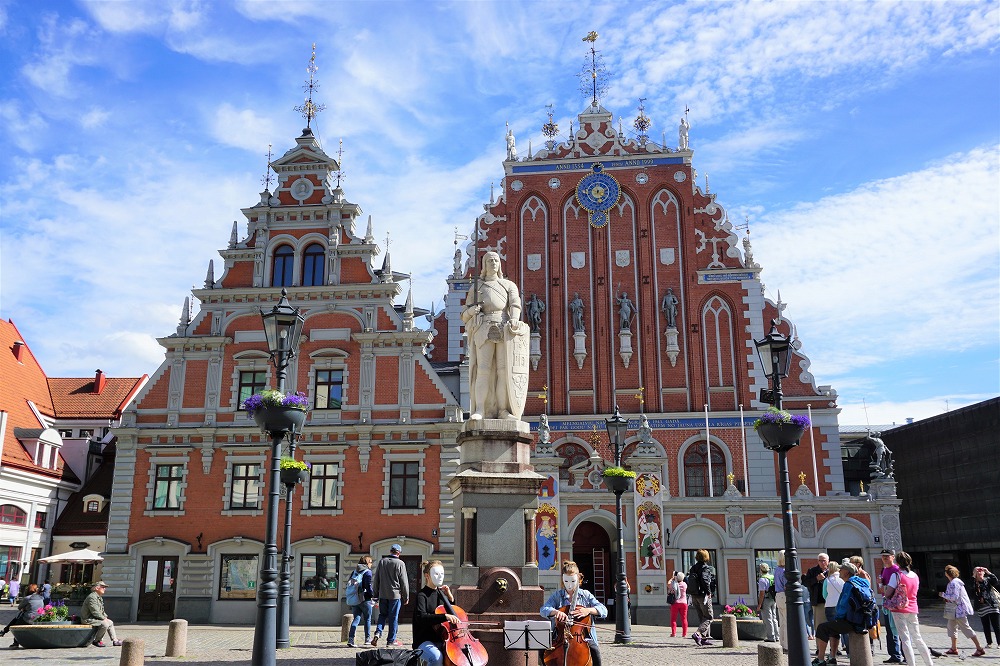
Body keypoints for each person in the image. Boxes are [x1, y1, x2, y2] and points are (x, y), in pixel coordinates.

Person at [461, 251, 530, 420]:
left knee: (503, 371)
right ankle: (480, 409)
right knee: (483, 370)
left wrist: (514, 319)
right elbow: (464, 315)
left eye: (496, 260)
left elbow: (515, 304)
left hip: (504, 326)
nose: (493, 263)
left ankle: (502, 410)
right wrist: (472, 310)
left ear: (500, 264)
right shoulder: (477, 287)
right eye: (490, 260)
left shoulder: (508, 285)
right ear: (484, 265)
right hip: (484, 327)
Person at [541, 560, 607, 666]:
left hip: (582, 637)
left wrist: (588, 610)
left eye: (573, 581)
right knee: (542, 650)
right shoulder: (557, 595)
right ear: (562, 580)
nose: (569, 585)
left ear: (578, 579)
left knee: (594, 649)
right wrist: (556, 612)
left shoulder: (585, 595)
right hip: (560, 636)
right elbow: (543, 610)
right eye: (566, 581)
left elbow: (603, 610)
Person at [812, 562, 872, 666]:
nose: (839, 571)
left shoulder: (848, 585)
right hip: (863, 620)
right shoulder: (862, 582)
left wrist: (838, 618)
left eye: (841, 569)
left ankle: (820, 660)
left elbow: (843, 606)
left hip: (852, 622)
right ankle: (832, 658)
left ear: (847, 572)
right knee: (833, 629)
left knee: (822, 628)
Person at [885, 551, 933, 666]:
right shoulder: (915, 576)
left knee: (905, 639)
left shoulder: (896, 575)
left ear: (897, 562)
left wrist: (884, 588)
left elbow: (888, 593)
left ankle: (912, 664)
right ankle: (929, 663)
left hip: (899, 609)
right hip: (913, 607)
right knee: (917, 637)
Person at [412, 560, 460, 666]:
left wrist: (450, 598)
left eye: (442, 574)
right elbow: (421, 617)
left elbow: (452, 612)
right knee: (436, 658)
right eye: (436, 574)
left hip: (441, 639)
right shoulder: (422, 595)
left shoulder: (441, 594)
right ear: (427, 576)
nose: (440, 577)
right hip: (423, 640)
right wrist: (445, 617)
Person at [940, 564, 986, 657]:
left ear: (947, 574)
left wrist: (943, 595)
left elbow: (955, 597)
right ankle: (953, 648)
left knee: (966, 628)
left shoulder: (954, 583)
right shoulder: (955, 582)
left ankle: (979, 648)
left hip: (958, 610)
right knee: (951, 627)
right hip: (954, 611)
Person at [372, 543, 409, 648]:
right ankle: (391, 640)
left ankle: (377, 633)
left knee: (382, 615)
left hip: (383, 595)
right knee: (393, 618)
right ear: (398, 553)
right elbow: (404, 582)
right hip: (395, 596)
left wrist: (375, 595)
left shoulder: (382, 562)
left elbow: (376, 580)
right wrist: (406, 597)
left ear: (390, 551)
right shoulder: (400, 563)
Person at [878, 548, 905, 664]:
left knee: (900, 630)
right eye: (883, 556)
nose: (885, 558)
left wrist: (883, 588)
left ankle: (905, 655)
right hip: (887, 604)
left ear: (893, 557)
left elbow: (895, 588)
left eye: (887, 556)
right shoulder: (884, 570)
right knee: (890, 630)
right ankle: (894, 654)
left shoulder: (896, 570)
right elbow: (882, 587)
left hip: (896, 604)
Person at [687, 549, 717, 646]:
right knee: (709, 617)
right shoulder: (705, 568)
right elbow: (705, 580)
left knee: (702, 616)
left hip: (694, 595)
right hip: (702, 595)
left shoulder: (693, 568)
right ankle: (698, 634)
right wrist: (708, 592)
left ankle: (704, 638)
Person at [0, 583, 44, 648]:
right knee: (17, 619)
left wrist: (25, 608)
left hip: (29, 618)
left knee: (16, 624)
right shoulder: (41, 598)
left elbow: (19, 607)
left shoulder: (27, 598)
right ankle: (4, 631)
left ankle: (15, 642)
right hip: (39, 618)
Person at [81, 581, 122, 647]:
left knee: (110, 622)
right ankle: (97, 640)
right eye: (103, 587)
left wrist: (105, 617)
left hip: (95, 618)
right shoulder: (92, 597)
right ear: (97, 588)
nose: (104, 589)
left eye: (105, 587)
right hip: (88, 619)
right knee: (105, 624)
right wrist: (103, 618)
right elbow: (95, 611)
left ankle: (115, 640)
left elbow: (102, 611)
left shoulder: (98, 597)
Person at [347, 555, 375, 648]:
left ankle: (351, 639)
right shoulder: (368, 572)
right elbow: (368, 586)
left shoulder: (354, 572)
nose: (371, 564)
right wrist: (372, 596)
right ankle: (367, 639)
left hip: (355, 599)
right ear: (367, 563)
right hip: (365, 599)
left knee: (356, 619)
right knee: (367, 618)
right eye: (371, 562)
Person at [804, 553, 831, 644]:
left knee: (832, 625)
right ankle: (819, 648)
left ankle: (833, 649)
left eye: (824, 560)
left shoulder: (832, 571)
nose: (822, 562)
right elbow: (806, 583)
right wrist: (816, 579)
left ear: (828, 561)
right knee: (818, 626)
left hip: (831, 602)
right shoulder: (812, 571)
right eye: (820, 560)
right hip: (818, 601)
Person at [823, 561, 848, 658]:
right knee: (845, 627)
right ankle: (849, 650)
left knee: (833, 629)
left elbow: (824, 594)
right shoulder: (843, 579)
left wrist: (830, 599)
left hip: (830, 606)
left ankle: (834, 651)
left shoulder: (827, 580)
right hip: (841, 605)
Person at [971, 566, 1000, 649]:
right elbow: (971, 589)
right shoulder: (974, 582)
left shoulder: (988, 580)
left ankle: (999, 643)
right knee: (986, 625)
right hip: (982, 607)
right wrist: (974, 576)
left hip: (992, 604)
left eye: (981, 571)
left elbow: (996, 581)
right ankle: (989, 642)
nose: (980, 572)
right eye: (977, 571)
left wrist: (988, 571)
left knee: (996, 626)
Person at [756, 562, 778, 643]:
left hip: (766, 599)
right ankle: (777, 635)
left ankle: (771, 637)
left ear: (761, 570)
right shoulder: (771, 577)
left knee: (768, 619)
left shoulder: (762, 579)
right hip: (773, 599)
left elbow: (762, 593)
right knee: (774, 618)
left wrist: (759, 604)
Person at [775, 550, 789, 650]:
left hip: (778, 595)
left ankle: (782, 643)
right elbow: (786, 586)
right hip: (785, 595)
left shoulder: (776, 569)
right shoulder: (785, 571)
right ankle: (788, 645)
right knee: (788, 621)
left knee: (782, 621)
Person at [670, 571, 688, 638]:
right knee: (684, 619)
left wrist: (672, 578)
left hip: (675, 603)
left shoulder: (673, 584)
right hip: (684, 603)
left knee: (673, 619)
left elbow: (668, 585)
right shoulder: (685, 585)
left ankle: (673, 633)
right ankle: (684, 634)